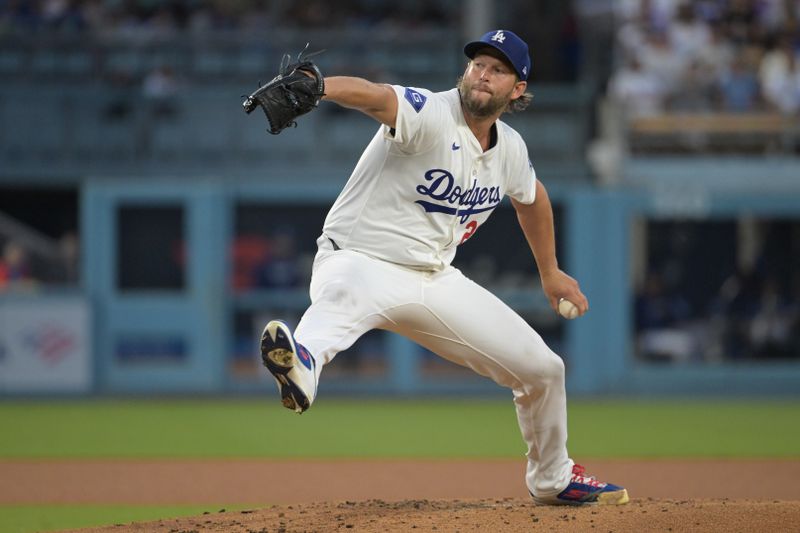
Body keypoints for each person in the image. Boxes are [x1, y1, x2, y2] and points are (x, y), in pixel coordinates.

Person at [259, 30, 628, 506]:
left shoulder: (510, 150)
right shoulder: (432, 112)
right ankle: (302, 366)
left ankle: (553, 477)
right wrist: (322, 85)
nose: (482, 73)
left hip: (433, 279)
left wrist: (550, 271)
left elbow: (533, 200)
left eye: (497, 69)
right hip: (358, 258)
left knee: (544, 370)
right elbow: (375, 97)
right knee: (339, 301)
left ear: (517, 89)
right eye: (478, 63)